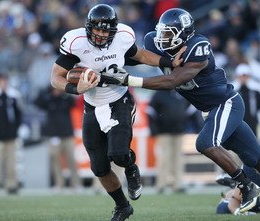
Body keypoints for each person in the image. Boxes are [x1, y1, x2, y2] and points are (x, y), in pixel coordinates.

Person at [101, 8, 260, 219]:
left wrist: (127, 80)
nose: (162, 38)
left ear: (184, 33)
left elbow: (172, 81)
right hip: (210, 109)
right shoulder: (154, 41)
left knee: (205, 144)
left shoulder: (198, 45)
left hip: (226, 103)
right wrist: (107, 57)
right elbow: (135, 57)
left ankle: (246, 185)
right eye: (162, 32)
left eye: (169, 33)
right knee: (255, 158)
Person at [50, 4, 183, 221]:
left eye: (105, 31)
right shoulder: (76, 43)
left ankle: (130, 167)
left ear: (114, 30)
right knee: (100, 168)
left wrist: (168, 61)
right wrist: (75, 88)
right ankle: (123, 207)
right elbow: (55, 77)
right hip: (91, 106)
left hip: (119, 100)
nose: (101, 35)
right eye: (97, 30)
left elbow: (139, 55)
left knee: (119, 155)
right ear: (88, 28)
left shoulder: (123, 36)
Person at [34, 86, 82, 192]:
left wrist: (65, 91)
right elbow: (37, 102)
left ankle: (76, 184)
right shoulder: (49, 100)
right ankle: (59, 184)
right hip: (54, 136)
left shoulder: (65, 99)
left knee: (71, 160)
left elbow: (75, 101)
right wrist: (47, 91)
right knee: (55, 161)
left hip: (67, 135)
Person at [147, 90, 188, 193]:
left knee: (178, 157)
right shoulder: (159, 94)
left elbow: (188, 110)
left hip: (179, 130)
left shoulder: (182, 93)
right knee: (164, 157)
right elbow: (151, 111)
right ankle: (161, 184)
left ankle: (177, 184)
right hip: (163, 131)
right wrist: (153, 129)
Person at [234, 63, 260, 137]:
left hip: (252, 127)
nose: (243, 78)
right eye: (241, 76)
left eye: (245, 76)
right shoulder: (234, 93)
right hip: (237, 127)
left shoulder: (255, 93)